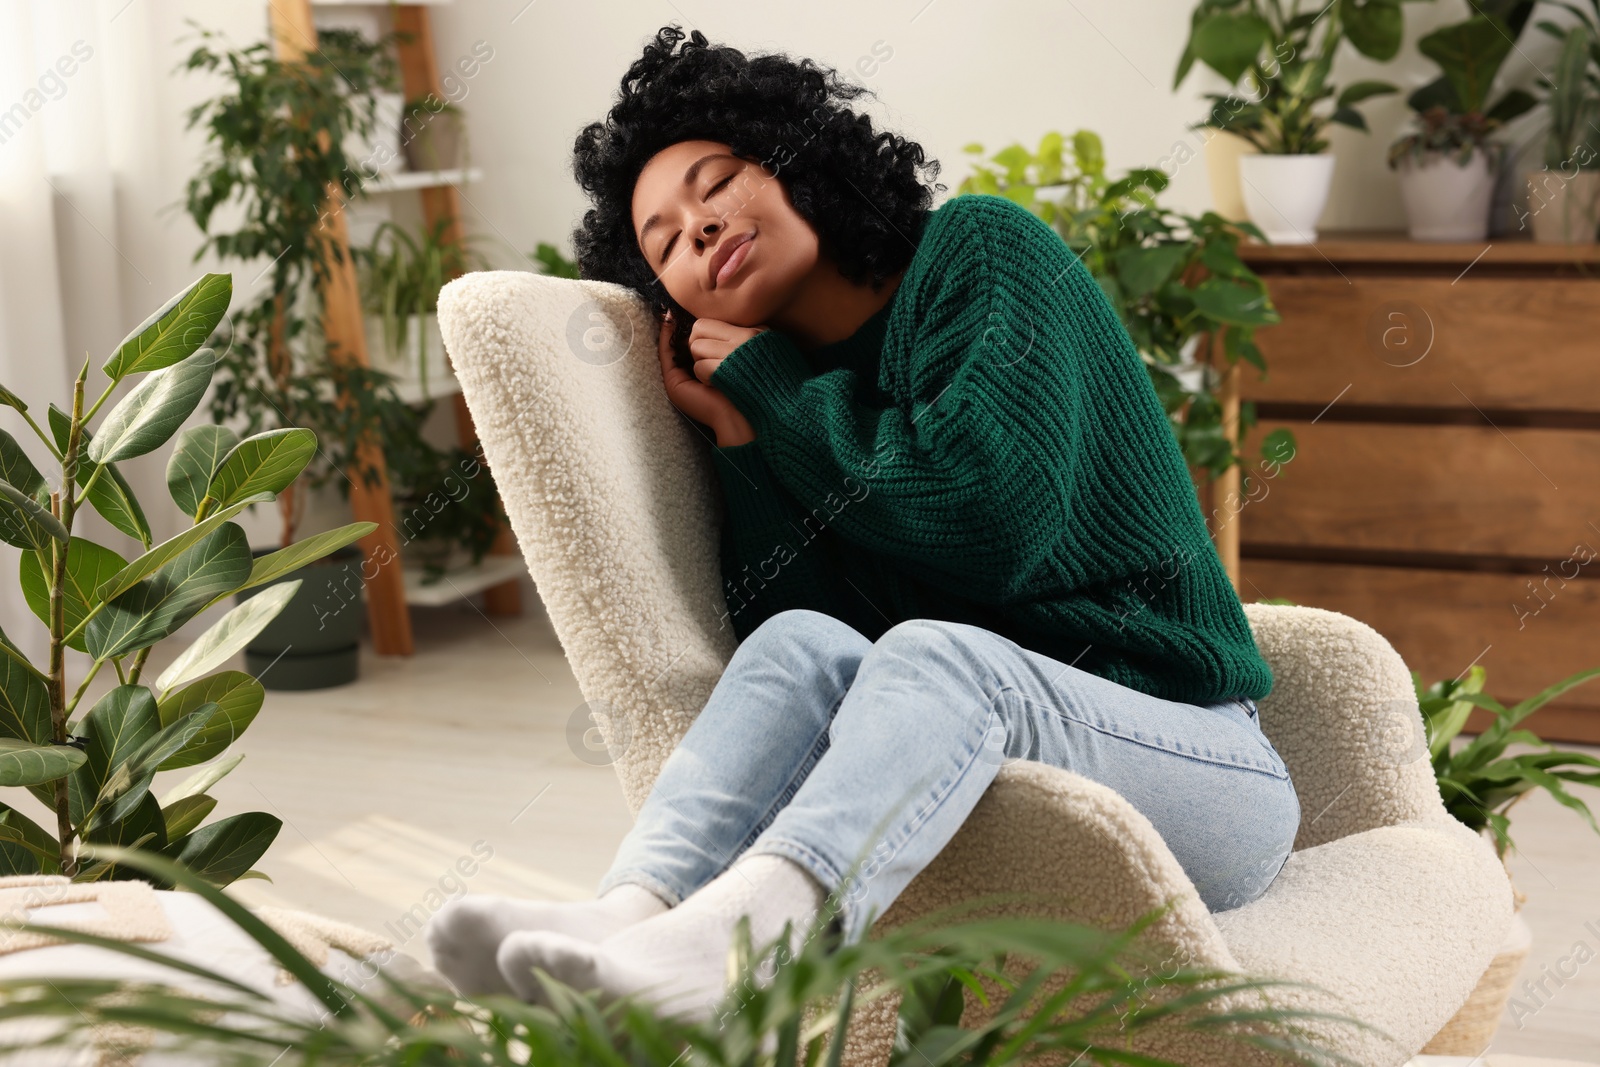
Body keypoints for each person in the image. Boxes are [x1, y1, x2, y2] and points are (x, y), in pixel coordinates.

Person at [425, 23, 1300, 1024]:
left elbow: (991, 523)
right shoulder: (787, 395)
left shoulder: (980, 251)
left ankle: (750, 948)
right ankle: (630, 910)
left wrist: (773, 392)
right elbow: (821, 638)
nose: (698, 229)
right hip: (996, 766)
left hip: (1205, 771)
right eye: (663, 239)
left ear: (801, 159)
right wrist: (744, 443)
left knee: (939, 653)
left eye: (715, 184)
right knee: (800, 644)